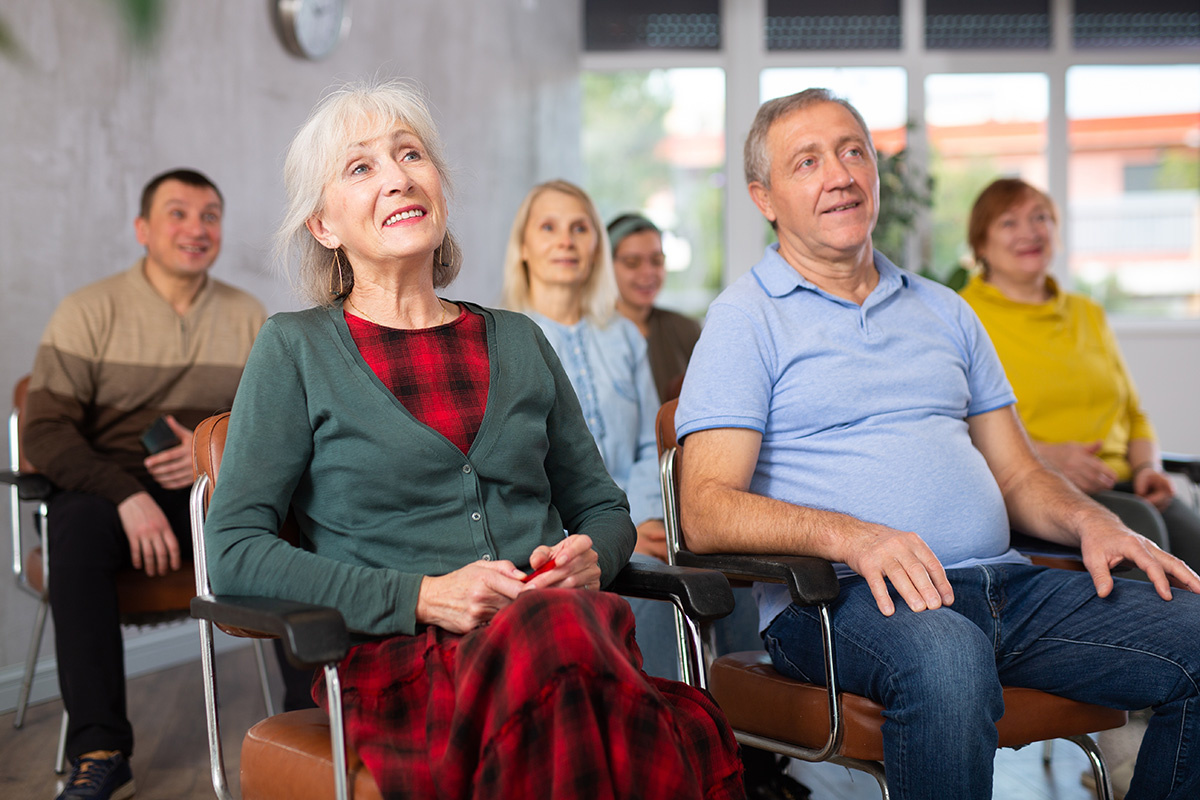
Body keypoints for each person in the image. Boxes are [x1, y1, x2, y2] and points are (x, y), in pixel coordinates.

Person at [201, 79, 742, 800]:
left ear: (440, 190)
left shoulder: (518, 340)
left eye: (412, 155)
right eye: (361, 168)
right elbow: (234, 552)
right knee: (593, 671)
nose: (398, 177)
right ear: (324, 225)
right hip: (405, 665)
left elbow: (603, 510)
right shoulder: (294, 349)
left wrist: (593, 558)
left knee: (559, 633)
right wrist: (422, 596)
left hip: (564, 646)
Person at [674, 87, 1200, 799]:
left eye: (853, 151)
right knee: (946, 657)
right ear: (764, 197)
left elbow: (1016, 474)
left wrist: (1092, 521)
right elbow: (704, 509)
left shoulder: (945, 309)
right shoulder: (745, 320)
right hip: (841, 604)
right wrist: (856, 537)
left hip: (1003, 585)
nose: (840, 174)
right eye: (808, 161)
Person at [501, 182, 793, 799]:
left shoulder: (623, 340)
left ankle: (752, 755)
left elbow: (640, 451)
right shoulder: (501, 340)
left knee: (720, 577)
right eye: (549, 227)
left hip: (632, 516)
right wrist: (610, 534)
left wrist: (637, 519)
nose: (567, 241)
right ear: (523, 246)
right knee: (659, 598)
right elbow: (519, 470)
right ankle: (667, 765)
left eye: (580, 227)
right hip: (556, 537)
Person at [22, 169, 268, 800]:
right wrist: (125, 496)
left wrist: (215, 454)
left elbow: (277, 429)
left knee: (298, 516)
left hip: (211, 495)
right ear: (143, 230)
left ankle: (321, 729)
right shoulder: (88, 310)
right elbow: (44, 433)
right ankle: (100, 751)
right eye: (178, 214)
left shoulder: (247, 316)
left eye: (210, 215)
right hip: (109, 500)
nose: (197, 228)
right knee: (73, 525)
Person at [959, 177, 1200, 573]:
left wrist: (1148, 469)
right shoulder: (963, 315)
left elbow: (1134, 414)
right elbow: (958, 429)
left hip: (1130, 487)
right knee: (1141, 536)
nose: (1030, 232)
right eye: (1008, 222)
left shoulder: (1089, 313)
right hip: (1050, 494)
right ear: (980, 244)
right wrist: (1046, 456)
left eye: (1040, 218)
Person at [607, 213, 701, 401]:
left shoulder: (686, 329)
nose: (648, 272)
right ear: (606, 266)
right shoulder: (589, 335)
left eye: (657, 261)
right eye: (632, 263)